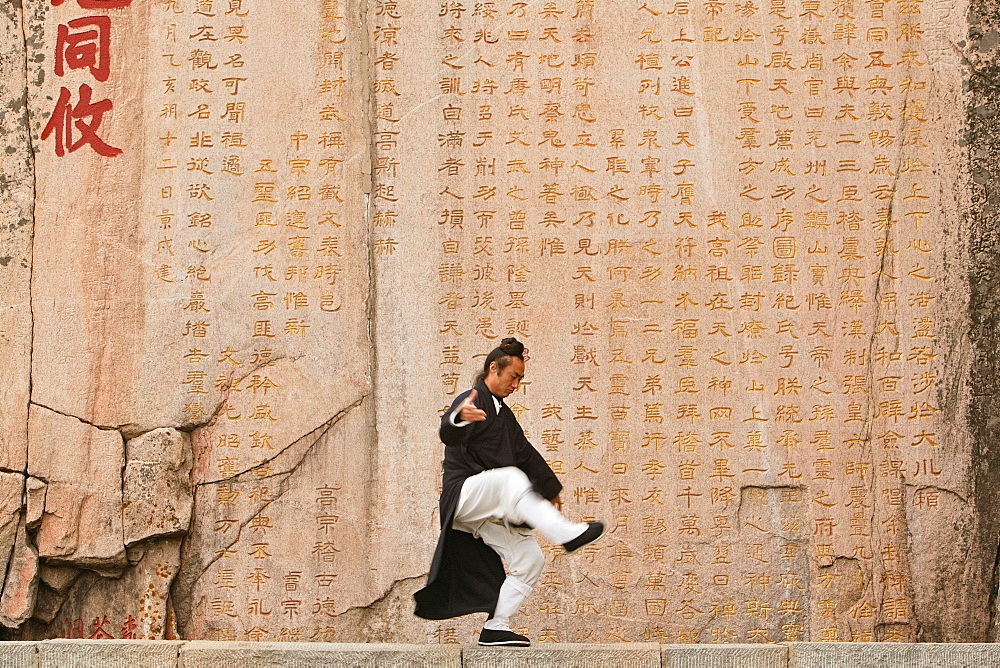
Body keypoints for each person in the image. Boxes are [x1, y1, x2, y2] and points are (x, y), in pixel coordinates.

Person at [413, 337, 606, 646]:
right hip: (463, 495)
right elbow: (448, 431)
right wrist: (459, 418)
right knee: (512, 479)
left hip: (484, 510)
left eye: (521, 379)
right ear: (494, 368)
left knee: (530, 558)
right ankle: (566, 534)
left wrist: (550, 490)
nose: (517, 384)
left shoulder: (504, 413)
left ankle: (496, 627)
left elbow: (525, 453)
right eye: (513, 376)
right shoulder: (473, 398)